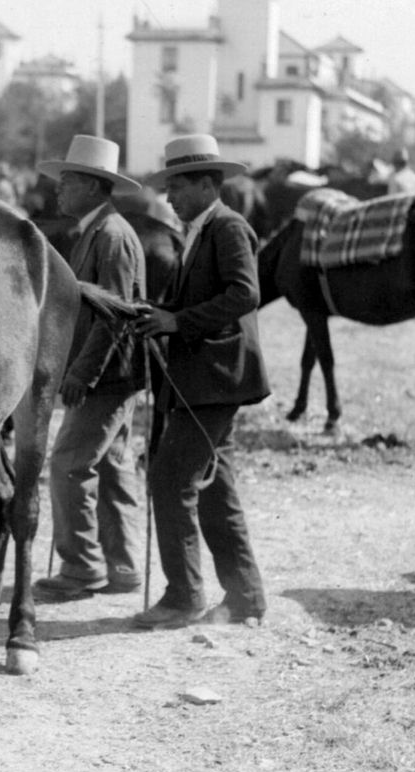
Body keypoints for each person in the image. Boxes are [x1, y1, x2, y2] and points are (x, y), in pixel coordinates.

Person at [131, 135, 270, 629]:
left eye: (178, 187)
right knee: (216, 490)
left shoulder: (229, 228)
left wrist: (177, 322)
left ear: (209, 184)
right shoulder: (200, 229)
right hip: (206, 378)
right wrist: (161, 314)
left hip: (216, 376)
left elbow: (244, 295)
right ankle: (246, 598)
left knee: (169, 480)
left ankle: (184, 597)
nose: (169, 197)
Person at [29, 136, 148, 602]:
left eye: (69, 181)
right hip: (115, 373)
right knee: (114, 468)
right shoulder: (98, 232)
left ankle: (81, 568)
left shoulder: (113, 237)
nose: (59, 191)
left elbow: (115, 315)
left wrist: (82, 373)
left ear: (96, 187)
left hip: (109, 375)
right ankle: (121, 566)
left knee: (68, 465)